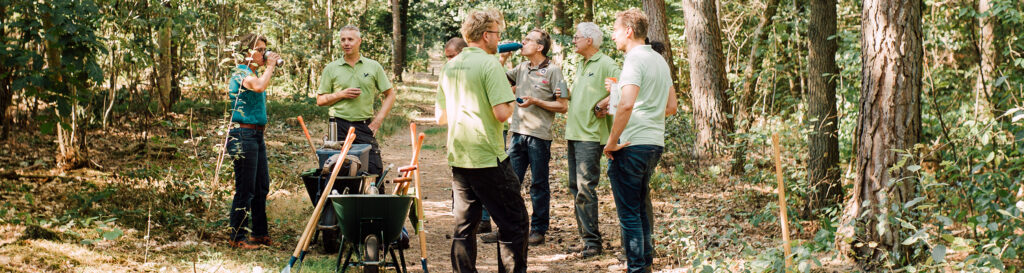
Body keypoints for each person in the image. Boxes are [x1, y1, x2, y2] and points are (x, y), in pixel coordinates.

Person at [435, 9, 529, 273]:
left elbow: (440, 116)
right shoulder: (490, 64)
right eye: (498, 34)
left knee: (465, 227)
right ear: (486, 35)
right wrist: (508, 101)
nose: (499, 39)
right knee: (515, 223)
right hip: (488, 156)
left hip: (459, 156)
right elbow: (501, 112)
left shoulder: (449, 66)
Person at [604, 8, 679, 273]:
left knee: (629, 214)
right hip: (653, 143)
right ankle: (644, 265)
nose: (613, 36)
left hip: (631, 144)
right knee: (639, 208)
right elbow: (671, 106)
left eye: (615, 30)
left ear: (628, 31)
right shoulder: (659, 60)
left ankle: (637, 268)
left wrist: (611, 142)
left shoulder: (634, 60)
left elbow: (626, 105)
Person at [488, 28, 567, 246]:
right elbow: (498, 79)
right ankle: (507, 227)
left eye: (528, 40)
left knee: (539, 184)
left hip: (539, 136)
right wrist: (502, 58)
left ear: (540, 47)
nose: (522, 42)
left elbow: (562, 106)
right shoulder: (521, 67)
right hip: (517, 133)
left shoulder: (553, 71)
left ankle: (538, 229)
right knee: (510, 183)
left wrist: (537, 101)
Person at [559, 22, 620, 258]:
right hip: (574, 133)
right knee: (575, 188)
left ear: (589, 40)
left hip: (591, 136)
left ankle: (594, 244)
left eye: (576, 37)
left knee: (586, 188)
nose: (573, 41)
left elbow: (621, 88)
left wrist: (603, 104)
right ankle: (586, 239)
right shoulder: (582, 64)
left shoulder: (606, 63)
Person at [316, 25, 397, 176]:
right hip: (337, 127)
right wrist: (341, 94)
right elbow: (320, 100)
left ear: (359, 41)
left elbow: (390, 94)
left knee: (373, 170)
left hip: (363, 126)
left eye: (350, 39)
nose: (346, 43)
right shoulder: (331, 68)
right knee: (337, 172)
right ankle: (339, 200)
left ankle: (373, 199)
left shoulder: (373, 66)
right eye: (343, 40)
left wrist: (378, 120)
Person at [226, 33, 281, 250]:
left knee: (261, 186)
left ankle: (259, 233)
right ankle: (237, 236)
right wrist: (270, 66)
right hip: (243, 135)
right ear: (246, 52)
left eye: (264, 49)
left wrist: (266, 67)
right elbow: (258, 86)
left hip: (256, 136)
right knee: (245, 188)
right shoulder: (240, 73)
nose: (262, 54)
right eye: (258, 50)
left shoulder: (252, 72)